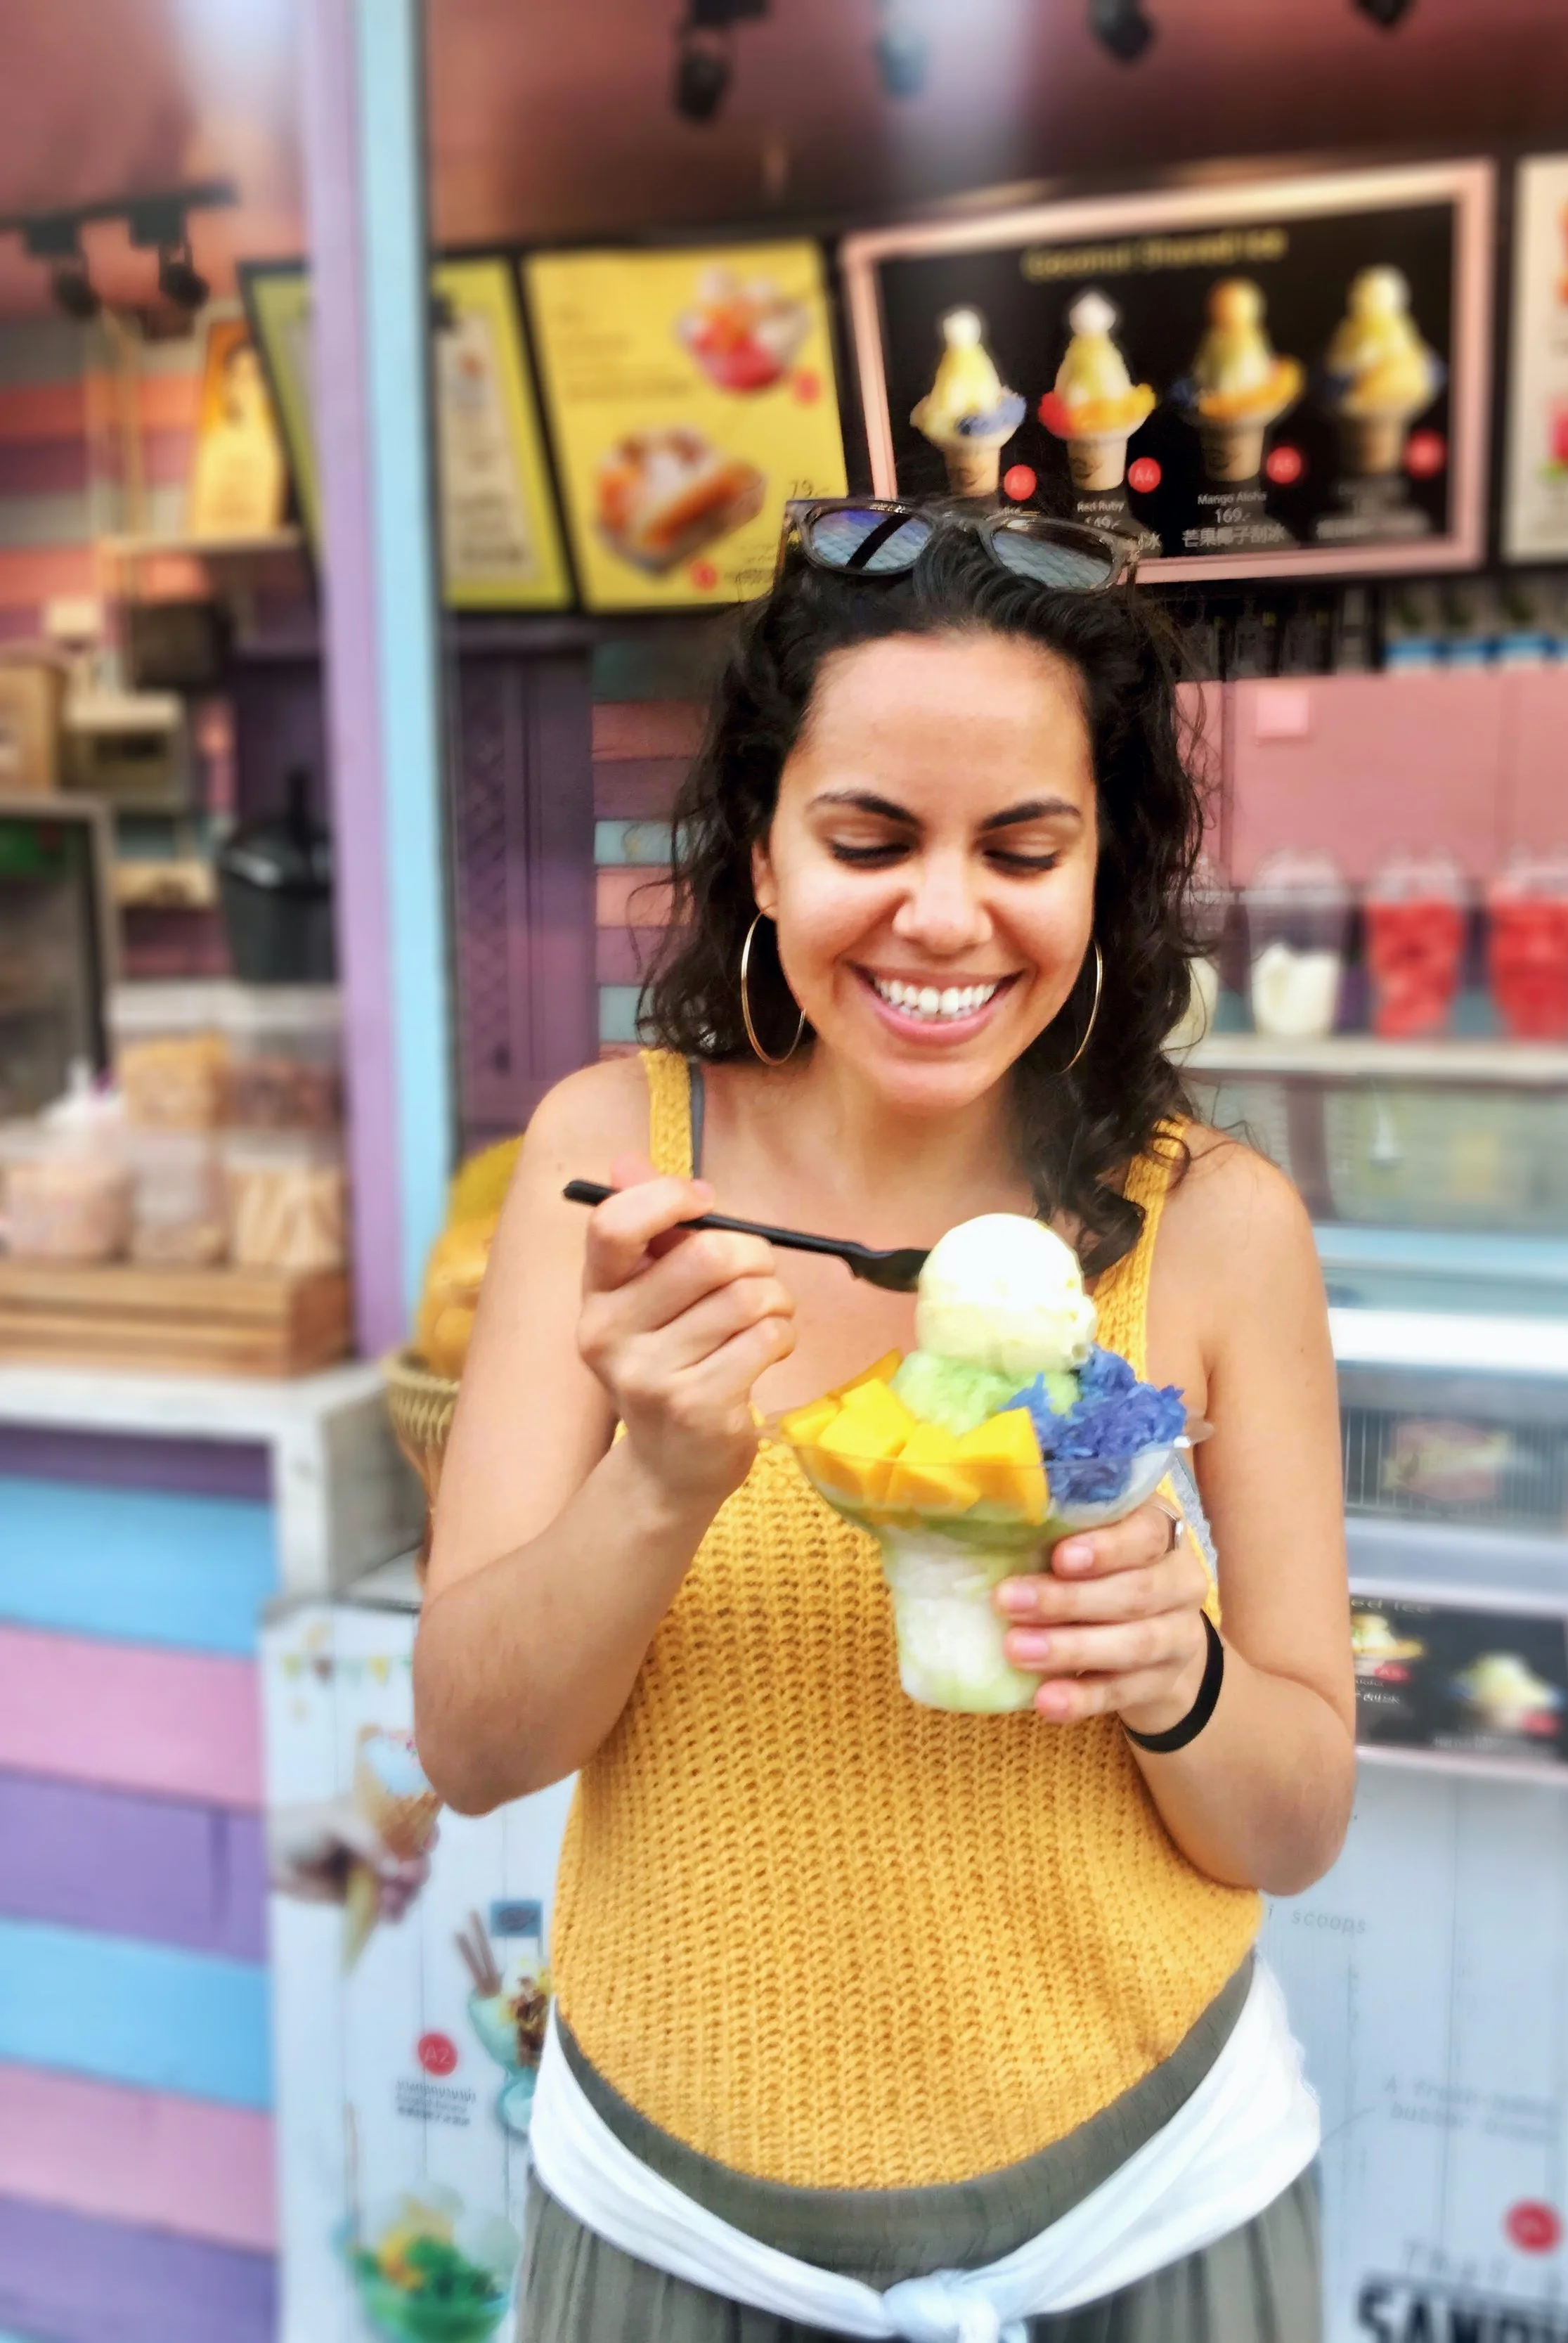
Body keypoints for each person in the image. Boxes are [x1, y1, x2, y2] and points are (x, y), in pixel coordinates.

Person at [415, 501, 1354, 2341]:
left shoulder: (1218, 1223)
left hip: (1146, 2220)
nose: (941, 913)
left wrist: (1177, 1672)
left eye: (1023, 846)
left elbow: (1295, 1814)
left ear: (1106, 873)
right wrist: (657, 1481)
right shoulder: (613, 1170)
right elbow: (467, 1740)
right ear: (761, 852)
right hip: (675, 2240)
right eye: (867, 837)